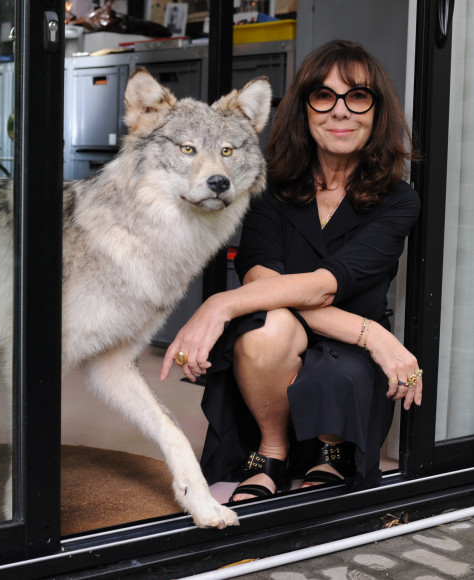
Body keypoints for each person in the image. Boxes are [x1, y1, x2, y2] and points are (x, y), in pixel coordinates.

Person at [160, 40, 422, 502]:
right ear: (304, 110)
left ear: (377, 111)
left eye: (358, 96)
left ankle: (332, 452)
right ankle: (272, 451)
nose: (341, 111)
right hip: (280, 363)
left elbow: (326, 285)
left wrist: (220, 304)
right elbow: (261, 282)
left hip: (350, 364)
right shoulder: (267, 191)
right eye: (324, 96)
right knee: (267, 327)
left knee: (280, 320)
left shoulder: (399, 200)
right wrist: (375, 335)